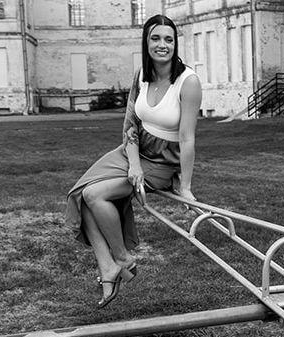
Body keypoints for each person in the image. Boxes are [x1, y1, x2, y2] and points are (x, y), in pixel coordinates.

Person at [67, 15, 202, 307]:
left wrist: (186, 187)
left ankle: (122, 258)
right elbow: (130, 124)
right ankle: (108, 266)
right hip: (132, 151)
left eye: (169, 39)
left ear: (175, 44)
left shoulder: (188, 82)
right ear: (146, 42)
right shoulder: (141, 75)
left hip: (162, 161)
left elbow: (187, 138)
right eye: (156, 38)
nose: (162, 45)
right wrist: (134, 164)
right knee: (80, 194)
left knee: (94, 195)